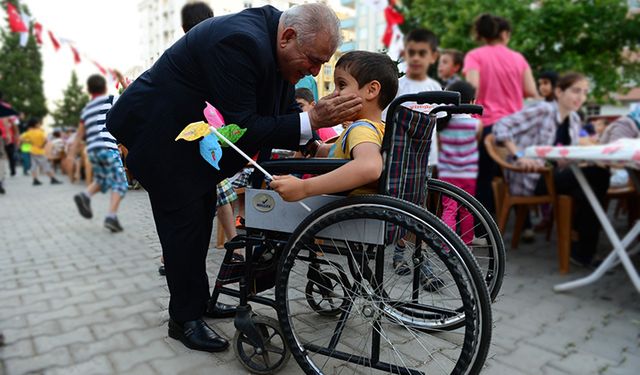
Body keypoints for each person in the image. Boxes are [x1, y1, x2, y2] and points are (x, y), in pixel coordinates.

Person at [106, 4, 361, 353]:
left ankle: (199, 302)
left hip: (192, 143)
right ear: (287, 37)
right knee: (183, 226)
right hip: (161, 136)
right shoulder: (240, 41)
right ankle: (184, 319)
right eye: (313, 60)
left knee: (199, 218)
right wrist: (312, 120)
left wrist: (313, 140)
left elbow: (281, 107)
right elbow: (244, 126)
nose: (315, 73)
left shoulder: (276, 43)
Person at [493, 72, 608, 267]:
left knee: (592, 183)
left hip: (553, 175)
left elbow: (563, 156)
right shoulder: (543, 110)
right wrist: (519, 156)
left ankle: (582, 249)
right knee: (597, 177)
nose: (580, 97)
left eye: (585, 92)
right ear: (559, 92)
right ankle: (582, 248)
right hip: (532, 178)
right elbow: (501, 125)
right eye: (575, 91)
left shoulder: (573, 120)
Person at [271, 50, 397, 199]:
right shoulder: (380, 129)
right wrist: (315, 146)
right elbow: (337, 151)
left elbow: (369, 167)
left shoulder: (361, 129)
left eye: (341, 85)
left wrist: (304, 188)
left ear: (371, 90)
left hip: (350, 214)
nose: (335, 93)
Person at [463, 13, 538, 216]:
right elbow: (531, 90)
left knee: (484, 178)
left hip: (488, 127)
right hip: (516, 127)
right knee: (516, 175)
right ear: (505, 34)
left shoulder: (475, 56)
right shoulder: (518, 58)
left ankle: (484, 228)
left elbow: (472, 89)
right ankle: (525, 225)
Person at [381, 28, 442, 275]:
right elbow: (387, 122)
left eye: (422, 53)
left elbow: (437, 124)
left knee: (423, 209)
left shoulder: (435, 86)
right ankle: (399, 252)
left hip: (427, 158)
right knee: (403, 207)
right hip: (402, 158)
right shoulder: (398, 86)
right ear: (405, 53)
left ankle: (420, 255)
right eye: (412, 52)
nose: (416, 58)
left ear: (433, 57)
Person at [67, 74, 128, 233]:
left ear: (89, 89)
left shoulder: (86, 109)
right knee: (120, 183)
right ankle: (111, 217)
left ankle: (85, 195)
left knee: (103, 180)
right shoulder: (110, 100)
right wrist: (122, 80)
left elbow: (80, 134)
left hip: (92, 150)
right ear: (104, 88)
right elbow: (130, 96)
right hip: (107, 147)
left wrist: (71, 156)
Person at [438, 80, 482, 245]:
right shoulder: (476, 124)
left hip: (448, 173)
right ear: (472, 101)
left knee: (449, 209)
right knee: (466, 209)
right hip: (468, 173)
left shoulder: (443, 124)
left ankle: (446, 246)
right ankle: (467, 245)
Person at [19, 118, 62, 186]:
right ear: (36, 125)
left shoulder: (28, 132)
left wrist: (29, 142)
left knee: (34, 165)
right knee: (45, 165)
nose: (39, 124)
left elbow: (20, 138)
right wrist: (42, 145)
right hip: (40, 151)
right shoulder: (40, 131)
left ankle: (35, 180)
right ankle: (52, 179)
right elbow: (46, 140)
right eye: (38, 123)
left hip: (32, 150)